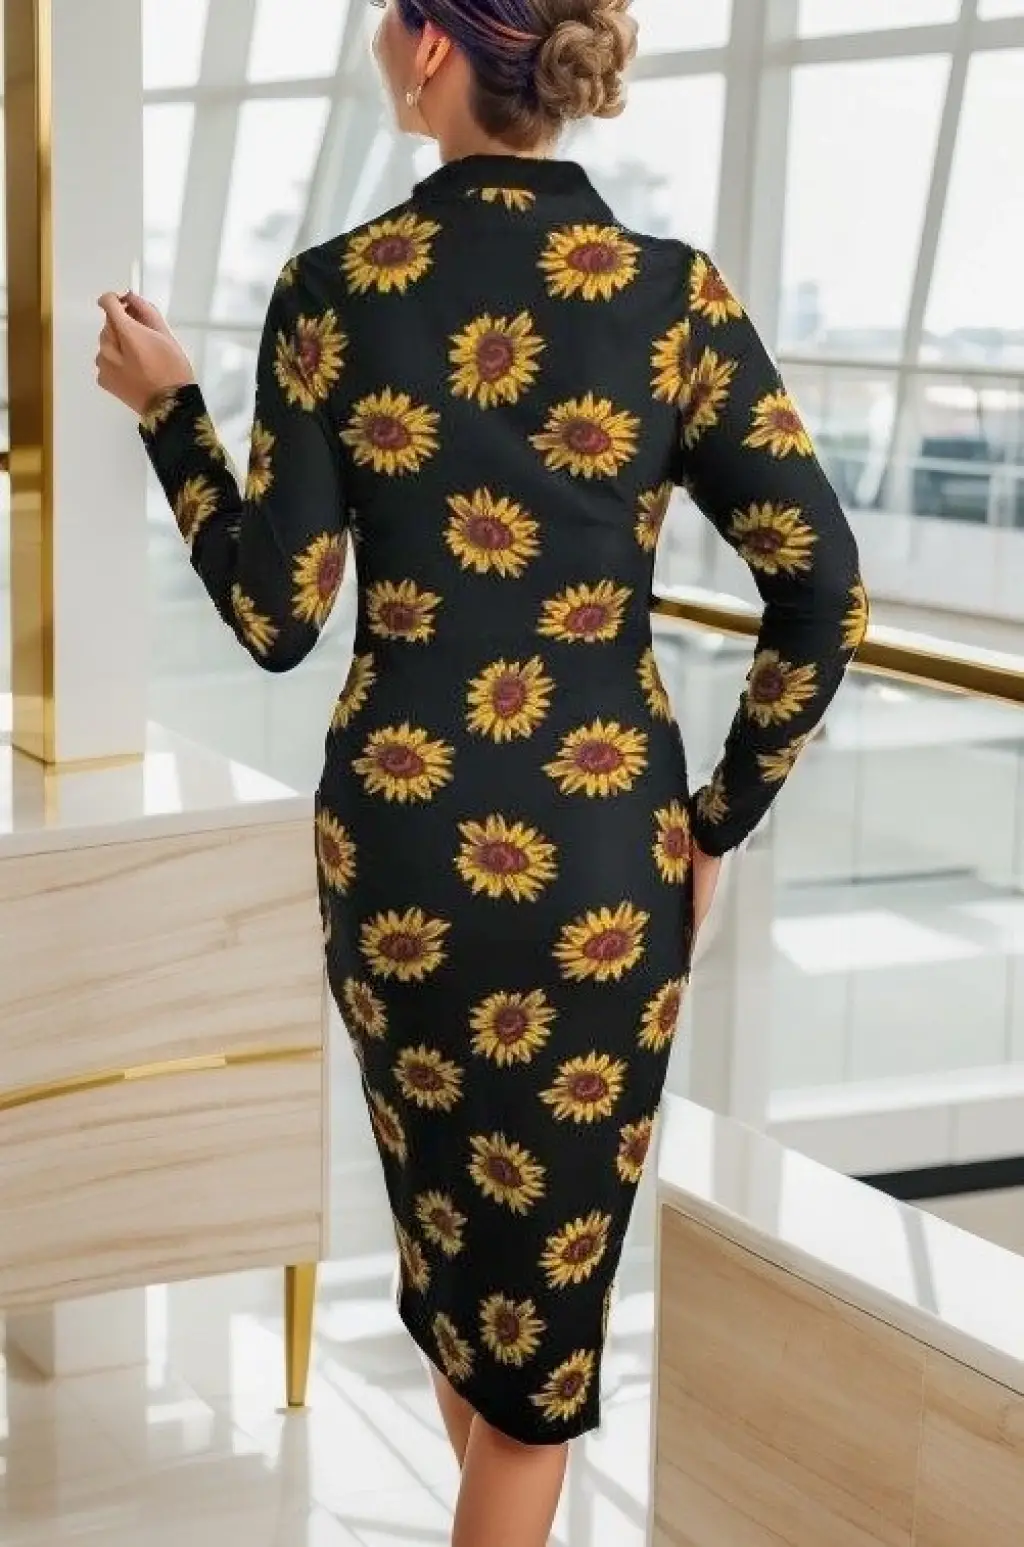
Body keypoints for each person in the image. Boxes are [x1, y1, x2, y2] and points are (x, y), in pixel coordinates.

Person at [96, 2, 868, 1541]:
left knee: (473, 1300)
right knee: (525, 1337)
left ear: (436, 47)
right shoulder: (673, 298)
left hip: (398, 864)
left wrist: (172, 416)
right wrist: (718, 819)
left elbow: (276, 617)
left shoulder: (334, 293)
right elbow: (826, 592)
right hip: (602, 868)